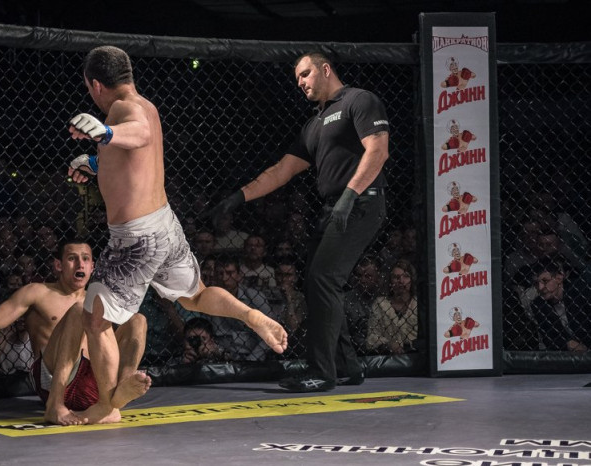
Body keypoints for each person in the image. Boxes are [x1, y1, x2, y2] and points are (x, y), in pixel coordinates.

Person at [66, 45, 287, 423]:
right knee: (195, 296)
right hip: (165, 226)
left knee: (96, 318)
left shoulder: (124, 110)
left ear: (95, 85)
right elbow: (133, 157)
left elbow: (137, 133)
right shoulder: (147, 105)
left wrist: (106, 130)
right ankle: (251, 315)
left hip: (135, 238)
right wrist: (94, 163)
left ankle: (107, 404)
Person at [210, 50, 389, 391]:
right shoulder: (314, 124)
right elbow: (282, 170)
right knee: (319, 283)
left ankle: (322, 372)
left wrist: (349, 196)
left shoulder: (359, 100)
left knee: (323, 279)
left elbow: (378, 150)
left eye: (306, 74)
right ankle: (346, 366)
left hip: (362, 202)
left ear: (325, 69)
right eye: (297, 79)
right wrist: (238, 197)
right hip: (334, 206)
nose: (301, 83)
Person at [0, 240, 151, 425]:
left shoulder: (101, 299)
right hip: (54, 380)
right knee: (80, 310)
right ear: (59, 265)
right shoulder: (37, 292)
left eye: (85, 259)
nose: (80, 264)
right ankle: (56, 404)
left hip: (97, 382)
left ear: (92, 267)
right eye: (72, 258)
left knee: (137, 320)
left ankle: (116, 396)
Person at [365, 259, 418, 355]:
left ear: (412, 280)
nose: (401, 281)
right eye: (396, 277)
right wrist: (388, 344)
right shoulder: (380, 304)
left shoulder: (418, 304)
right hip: (387, 356)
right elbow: (372, 337)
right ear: (390, 281)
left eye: (406, 276)